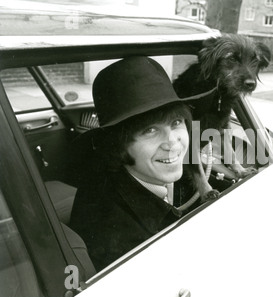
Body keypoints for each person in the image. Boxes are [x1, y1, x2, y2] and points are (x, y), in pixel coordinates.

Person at [69, 56, 215, 272]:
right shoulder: (125, 242)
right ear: (120, 145)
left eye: (176, 123)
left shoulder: (123, 175)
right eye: (150, 130)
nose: (172, 143)